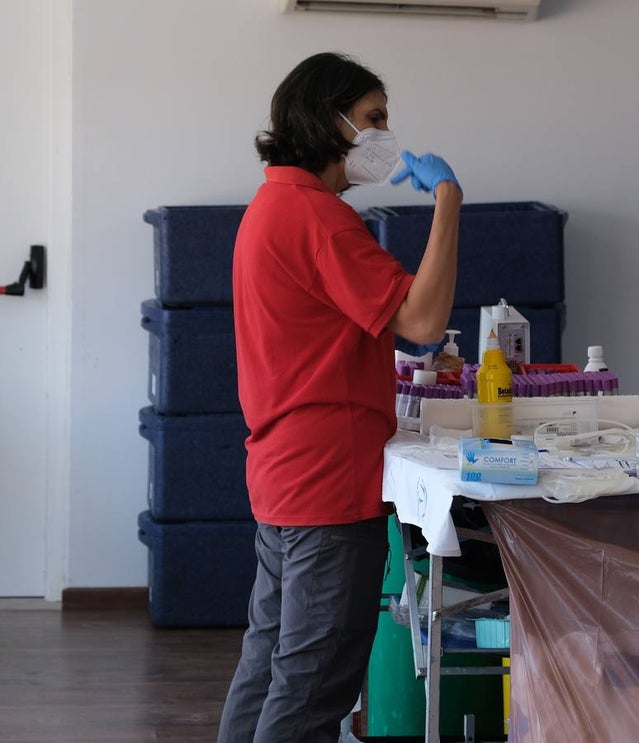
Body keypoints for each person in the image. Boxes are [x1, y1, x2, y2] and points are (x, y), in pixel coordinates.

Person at [217, 51, 463, 743]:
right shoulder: (318, 218)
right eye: (373, 118)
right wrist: (449, 200)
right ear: (329, 123)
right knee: (313, 681)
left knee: (270, 663)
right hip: (327, 481)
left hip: (284, 473)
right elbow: (422, 321)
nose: (385, 134)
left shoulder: (271, 206)